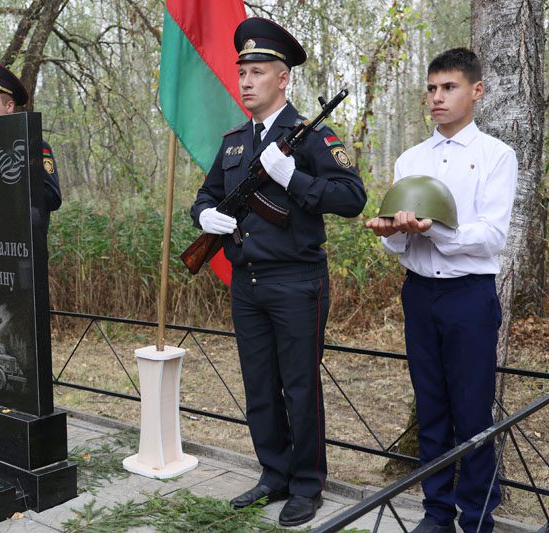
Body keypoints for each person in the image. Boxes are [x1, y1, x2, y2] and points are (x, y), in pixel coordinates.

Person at [190, 17, 366, 527]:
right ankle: (273, 473)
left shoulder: (310, 136)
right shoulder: (234, 142)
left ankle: (307, 484)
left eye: (258, 71)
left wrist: (297, 179)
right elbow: (206, 194)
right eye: (242, 71)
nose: (246, 80)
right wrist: (205, 216)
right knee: (259, 385)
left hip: (297, 282)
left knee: (300, 386)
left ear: (283, 78)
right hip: (247, 284)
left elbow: (352, 198)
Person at [366, 48, 518, 533]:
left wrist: (434, 229)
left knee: (472, 412)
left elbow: (492, 235)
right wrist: (390, 231)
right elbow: (397, 247)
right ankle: (437, 513)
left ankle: (477, 518)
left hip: (469, 297)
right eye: (431, 88)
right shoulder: (410, 158)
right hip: (419, 295)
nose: (437, 97)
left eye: (448, 87)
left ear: (476, 91)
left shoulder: (496, 155)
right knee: (431, 407)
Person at [0, 62, 62, 231]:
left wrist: (14, 178)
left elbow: (52, 198)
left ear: (9, 106)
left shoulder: (34, 146)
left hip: (22, 248)